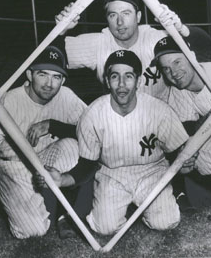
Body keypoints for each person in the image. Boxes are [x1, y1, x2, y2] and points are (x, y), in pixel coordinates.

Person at [42, 50, 195, 235]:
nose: (122, 84)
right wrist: (63, 179)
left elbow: (178, 155)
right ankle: (121, 205)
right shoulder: (92, 114)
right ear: (107, 81)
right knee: (104, 227)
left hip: (153, 171)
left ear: (138, 81)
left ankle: (148, 206)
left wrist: (186, 162)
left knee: (165, 221)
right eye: (115, 77)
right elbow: (86, 165)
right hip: (111, 174)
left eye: (128, 76)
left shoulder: (159, 110)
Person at [0, 45, 87, 239]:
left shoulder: (66, 96)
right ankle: (33, 202)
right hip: (14, 166)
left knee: (77, 146)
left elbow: (92, 131)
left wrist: (52, 125)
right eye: (42, 74)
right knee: (32, 231)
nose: (49, 84)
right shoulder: (9, 99)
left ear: (63, 80)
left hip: (46, 157)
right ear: (29, 75)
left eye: (56, 77)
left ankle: (64, 213)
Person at [55, 0, 190, 102]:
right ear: (107, 19)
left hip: (161, 113)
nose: (119, 22)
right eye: (113, 15)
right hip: (119, 117)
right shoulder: (98, 43)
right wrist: (60, 31)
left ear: (138, 17)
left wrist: (180, 29)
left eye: (126, 13)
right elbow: (53, 55)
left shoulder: (154, 38)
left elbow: (195, 51)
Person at [154, 35, 211, 220]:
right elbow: (186, 133)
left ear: (191, 56)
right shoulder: (178, 92)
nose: (173, 72)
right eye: (166, 68)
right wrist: (186, 154)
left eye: (177, 62)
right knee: (192, 148)